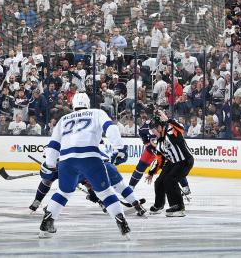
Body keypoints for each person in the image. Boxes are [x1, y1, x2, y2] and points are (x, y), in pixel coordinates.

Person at [38, 93, 131, 239]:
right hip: (90, 157)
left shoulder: (63, 119)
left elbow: (54, 144)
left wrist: (49, 164)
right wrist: (119, 148)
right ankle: (122, 223)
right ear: (87, 103)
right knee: (105, 193)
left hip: (66, 160)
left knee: (63, 192)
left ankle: (46, 223)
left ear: (73, 104)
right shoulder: (97, 112)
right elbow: (111, 128)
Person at [128, 107, 191, 197]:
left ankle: (185, 187)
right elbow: (141, 132)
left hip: (164, 152)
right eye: (157, 115)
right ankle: (131, 186)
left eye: (161, 114)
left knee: (175, 167)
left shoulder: (167, 125)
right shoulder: (147, 125)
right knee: (140, 167)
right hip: (151, 151)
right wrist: (147, 144)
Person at [145, 110, 194, 217]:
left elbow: (181, 127)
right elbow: (159, 161)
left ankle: (178, 206)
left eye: (154, 130)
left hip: (185, 160)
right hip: (173, 162)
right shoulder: (159, 143)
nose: (153, 133)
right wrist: (151, 172)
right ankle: (159, 205)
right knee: (159, 182)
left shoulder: (171, 130)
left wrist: (168, 120)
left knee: (170, 180)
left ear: (159, 127)